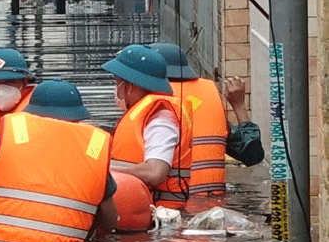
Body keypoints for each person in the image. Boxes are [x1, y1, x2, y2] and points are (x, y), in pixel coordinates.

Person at [0, 80, 118, 242]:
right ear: (78, 118)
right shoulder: (93, 152)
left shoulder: (13, 144)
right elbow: (109, 224)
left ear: (31, 115)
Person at [150, 42, 264, 195]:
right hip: (210, 204)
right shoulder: (207, 103)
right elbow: (252, 154)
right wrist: (238, 106)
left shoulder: (150, 104)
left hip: (169, 205)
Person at [101, 44, 193, 210]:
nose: (115, 89)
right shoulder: (142, 115)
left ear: (130, 86)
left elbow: (154, 173)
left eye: (117, 82)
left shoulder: (162, 119)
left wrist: (101, 168)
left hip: (160, 215)